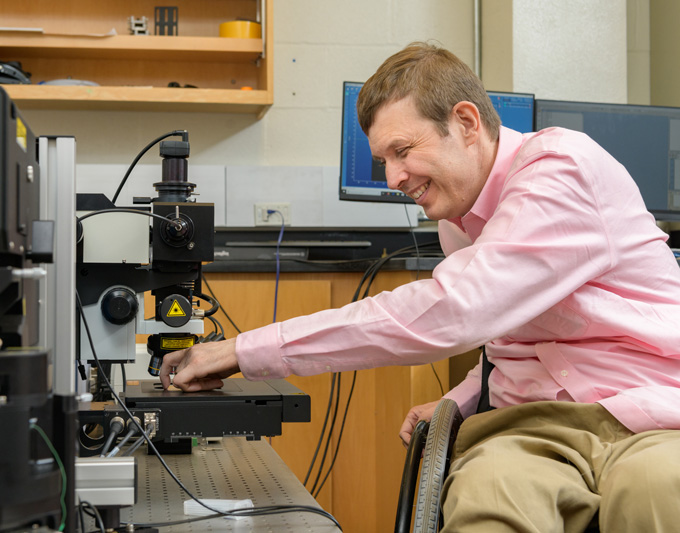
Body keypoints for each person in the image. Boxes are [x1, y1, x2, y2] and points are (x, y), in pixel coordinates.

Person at [160, 41, 680, 531]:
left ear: (466, 122)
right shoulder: (458, 218)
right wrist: (465, 396)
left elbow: (458, 309)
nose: (392, 177)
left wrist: (243, 349)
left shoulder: (562, 168)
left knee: (653, 489)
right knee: (488, 495)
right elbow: (516, 335)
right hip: (537, 426)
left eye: (402, 150)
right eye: (384, 159)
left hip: (651, 416)